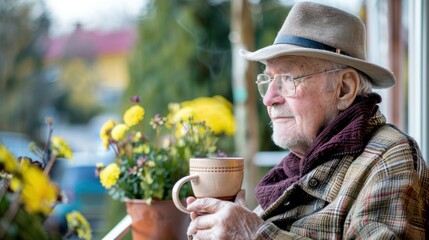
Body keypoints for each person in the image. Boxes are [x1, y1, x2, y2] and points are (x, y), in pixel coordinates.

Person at [185, 1, 429, 239]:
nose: (269, 98)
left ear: (344, 89)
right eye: (269, 81)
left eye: (288, 79)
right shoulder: (300, 165)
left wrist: (252, 234)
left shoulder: (389, 156)